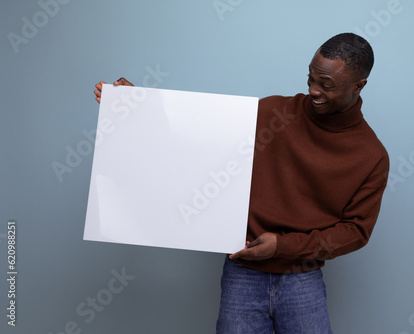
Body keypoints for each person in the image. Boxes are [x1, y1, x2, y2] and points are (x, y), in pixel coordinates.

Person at [94, 32, 389, 334]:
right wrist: (138, 107)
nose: (313, 90)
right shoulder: (273, 112)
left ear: (358, 86)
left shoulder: (371, 155)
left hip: (303, 275)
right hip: (242, 271)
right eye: (310, 78)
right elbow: (197, 141)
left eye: (325, 85)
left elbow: (355, 232)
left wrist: (282, 246)